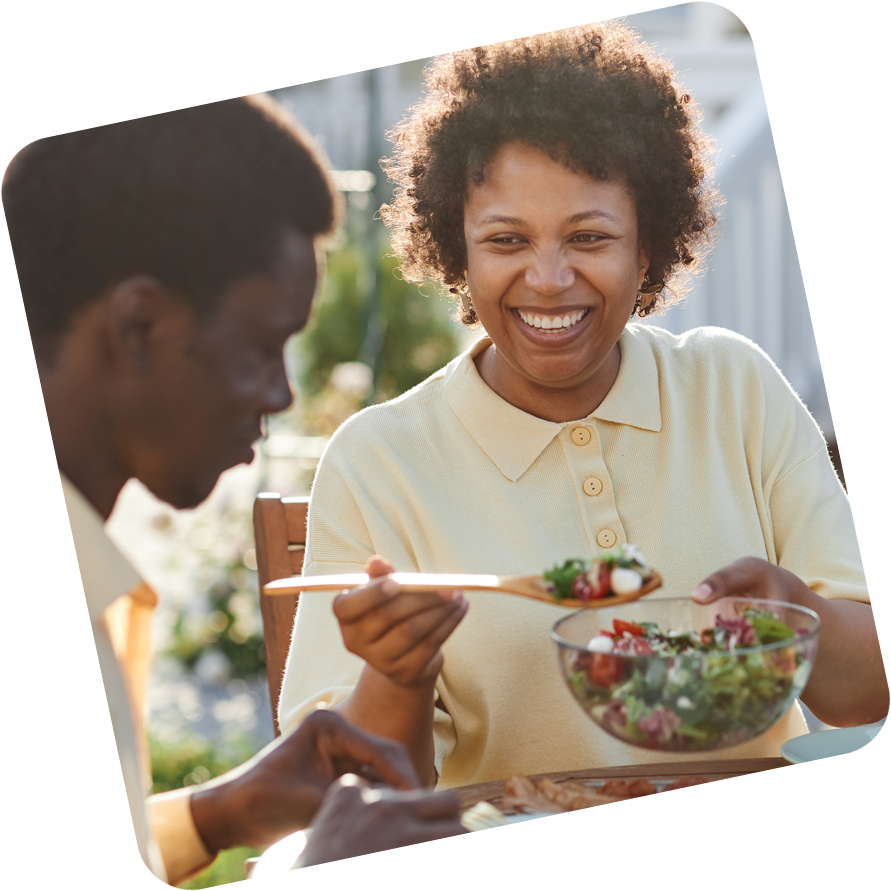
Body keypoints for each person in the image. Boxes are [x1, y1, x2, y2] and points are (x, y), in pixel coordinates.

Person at [278, 6, 891, 790]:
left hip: (763, 852)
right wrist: (397, 676)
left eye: (589, 237)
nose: (548, 279)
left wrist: (797, 618)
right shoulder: (381, 462)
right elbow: (343, 792)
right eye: (505, 240)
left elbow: (871, 683)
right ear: (455, 249)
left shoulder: (731, 390)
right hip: (520, 866)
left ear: (647, 246)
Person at [0, 56, 469, 891]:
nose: (283, 391)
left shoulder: (44, 562)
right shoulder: (18, 624)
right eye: (262, 347)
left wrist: (217, 812)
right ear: (139, 325)